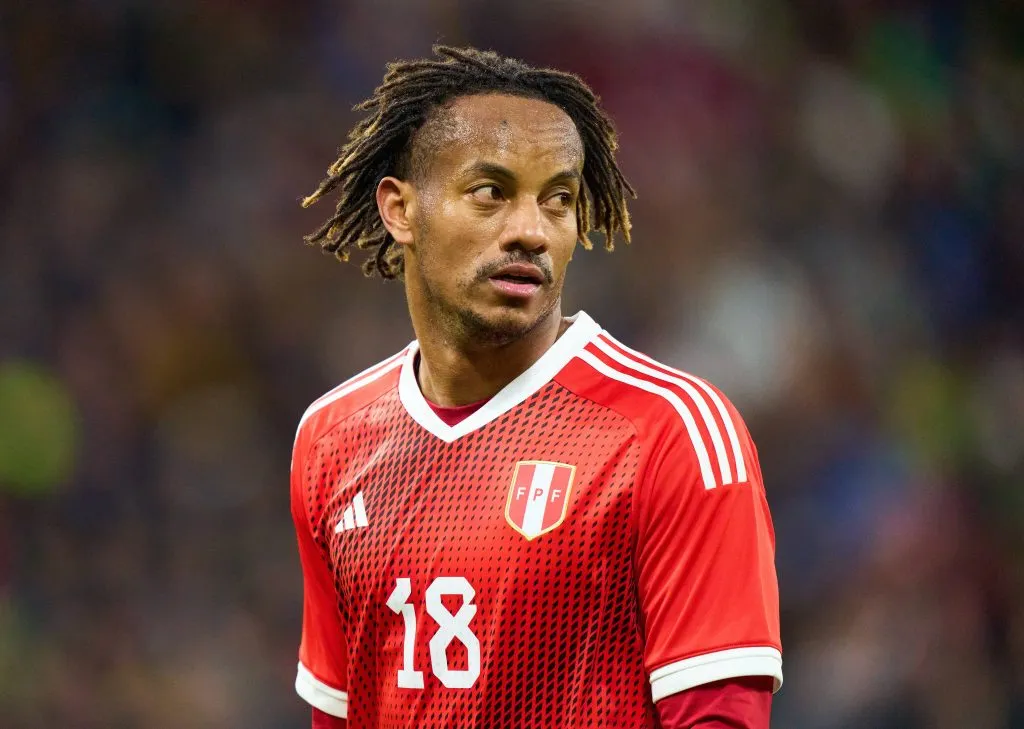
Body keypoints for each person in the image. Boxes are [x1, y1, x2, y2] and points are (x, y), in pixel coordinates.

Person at [291, 45, 781, 729]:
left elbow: (721, 717)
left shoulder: (672, 431)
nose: (530, 231)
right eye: (490, 192)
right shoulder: (330, 439)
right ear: (400, 209)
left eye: (558, 200)